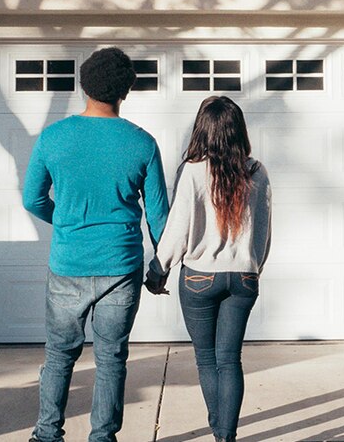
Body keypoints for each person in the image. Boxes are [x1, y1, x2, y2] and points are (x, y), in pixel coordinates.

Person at [23, 47, 169, 442]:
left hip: (68, 264)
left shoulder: (53, 137)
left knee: (58, 356)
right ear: (126, 91)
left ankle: (47, 434)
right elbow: (159, 217)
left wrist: (68, 222)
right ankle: (102, 437)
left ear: (83, 85)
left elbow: (31, 199)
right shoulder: (142, 143)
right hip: (120, 267)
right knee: (111, 358)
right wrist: (161, 268)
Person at [145, 96, 272, 442]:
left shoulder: (193, 170)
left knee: (206, 359)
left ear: (203, 130)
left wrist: (158, 270)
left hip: (200, 277)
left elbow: (178, 229)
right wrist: (253, 267)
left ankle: (220, 432)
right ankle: (226, 436)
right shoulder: (256, 171)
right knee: (229, 360)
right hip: (244, 278)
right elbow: (262, 231)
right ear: (238, 131)